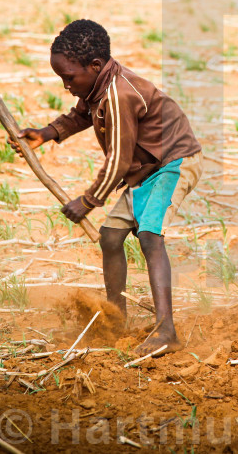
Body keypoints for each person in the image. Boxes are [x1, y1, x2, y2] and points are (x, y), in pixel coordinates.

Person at [11, 19, 202, 354]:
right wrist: (46, 133)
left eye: (70, 77)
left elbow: (119, 158)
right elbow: (81, 115)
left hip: (172, 162)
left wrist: (89, 200)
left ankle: (166, 331)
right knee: (111, 237)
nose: (67, 85)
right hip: (143, 170)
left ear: (95, 66)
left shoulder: (118, 95)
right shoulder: (97, 86)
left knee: (149, 236)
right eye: (61, 78)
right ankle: (116, 318)